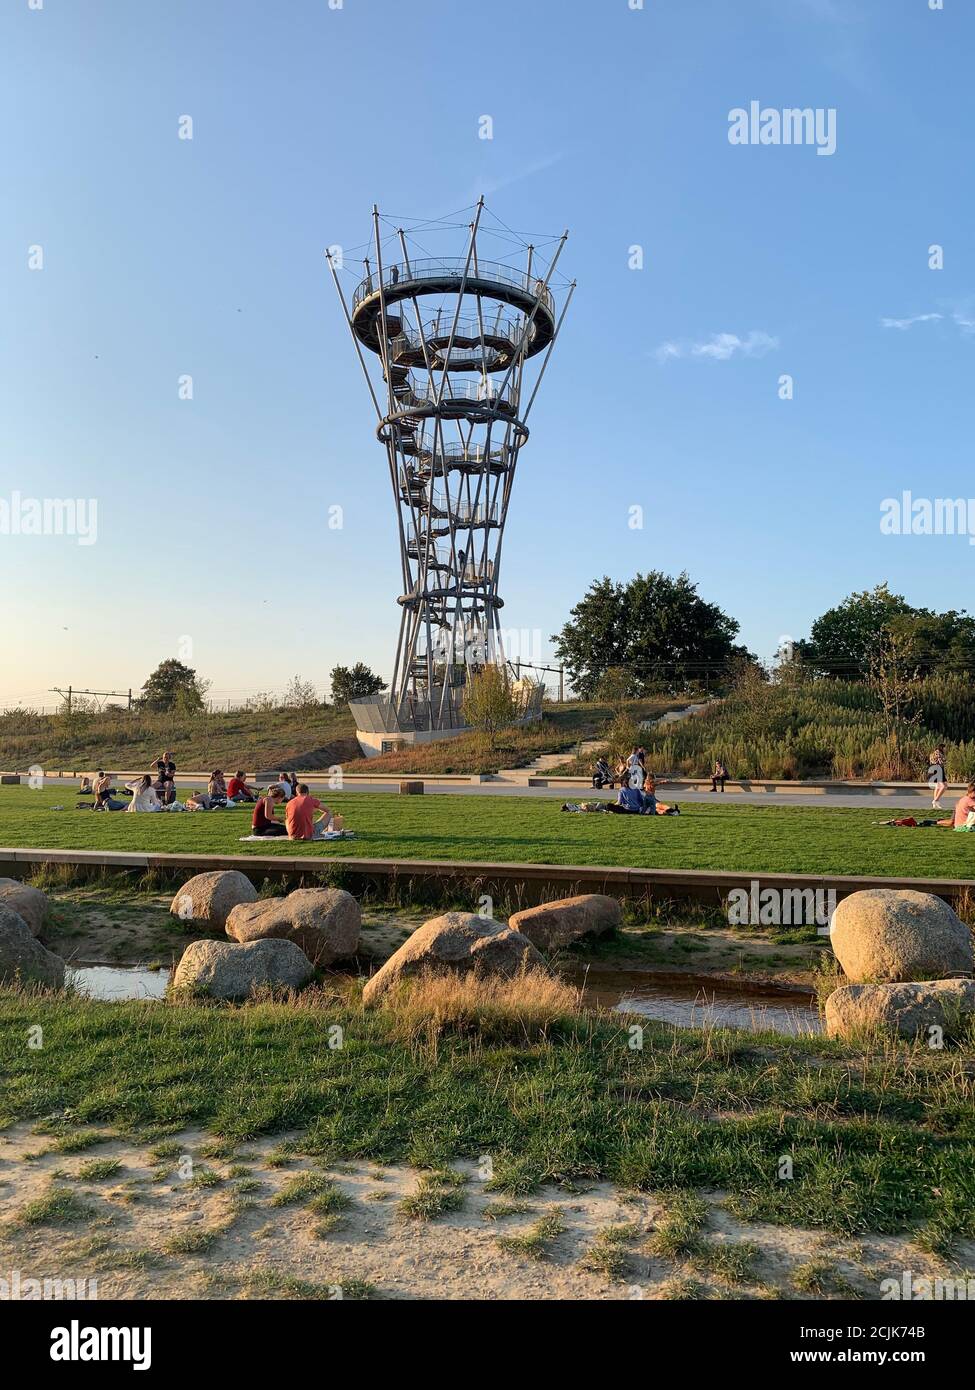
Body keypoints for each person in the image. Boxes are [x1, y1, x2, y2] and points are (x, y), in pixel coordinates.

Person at [927, 745, 947, 810]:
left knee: (938, 786)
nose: (945, 749)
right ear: (942, 748)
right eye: (944, 748)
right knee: (943, 786)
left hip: (939, 770)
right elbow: (941, 762)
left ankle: (936, 802)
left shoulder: (936, 753)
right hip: (937, 770)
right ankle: (935, 800)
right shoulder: (938, 753)